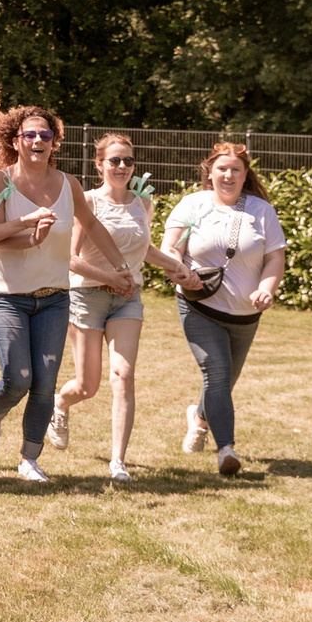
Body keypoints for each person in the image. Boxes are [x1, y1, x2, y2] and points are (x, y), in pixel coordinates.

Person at [0, 100, 129, 483]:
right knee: (18, 377)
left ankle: (29, 460)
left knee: (45, 381)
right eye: (30, 135)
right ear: (16, 141)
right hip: (6, 294)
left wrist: (119, 266)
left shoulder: (68, 184)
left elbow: (92, 225)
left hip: (55, 295)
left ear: (54, 142)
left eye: (45, 135)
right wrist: (29, 233)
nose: (38, 140)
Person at [52, 134, 201, 481]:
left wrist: (178, 269)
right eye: (115, 161)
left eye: (128, 161)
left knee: (124, 375)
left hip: (127, 299)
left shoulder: (142, 204)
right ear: (100, 164)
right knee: (88, 387)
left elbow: (144, 251)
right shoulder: (86, 202)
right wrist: (109, 276)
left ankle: (118, 462)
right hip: (87, 296)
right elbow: (70, 259)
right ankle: (60, 405)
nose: (122, 167)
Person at [162, 141, 288, 476]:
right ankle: (227, 450)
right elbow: (170, 248)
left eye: (236, 169)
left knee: (223, 382)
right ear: (210, 172)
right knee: (216, 372)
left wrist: (266, 288)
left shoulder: (262, 211)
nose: (228, 175)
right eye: (222, 169)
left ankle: (199, 418)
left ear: (246, 174)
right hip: (199, 306)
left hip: (246, 315)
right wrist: (181, 272)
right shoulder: (193, 205)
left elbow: (275, 257)